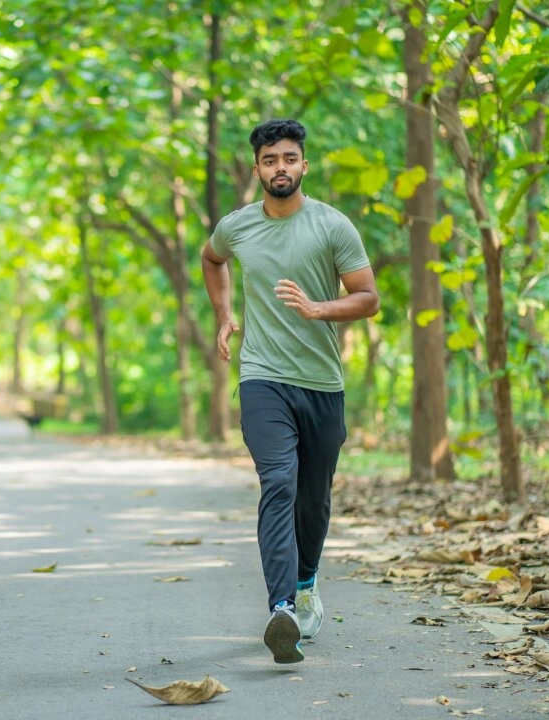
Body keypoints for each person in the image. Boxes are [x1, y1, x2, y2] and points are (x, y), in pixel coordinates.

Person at [201, 119, 379, 664]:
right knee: (278, 481)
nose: (281, 167)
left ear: (304, 165)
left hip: (321, 382)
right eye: (270, 159)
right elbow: (212, 259)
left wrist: (318, 308)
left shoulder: (332, 226)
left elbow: (368, 298)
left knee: (313, 497)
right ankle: (281, 608)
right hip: (261, 377)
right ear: (256, 169)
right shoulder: (237, 227)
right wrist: (226, 314)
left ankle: (305, 583)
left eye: (290, 158)